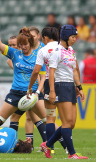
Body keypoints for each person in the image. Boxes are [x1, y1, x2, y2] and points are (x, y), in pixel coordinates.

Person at [0, 12, 46, 145]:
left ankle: (59, 145)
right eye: (20, 45)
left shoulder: (38, 56)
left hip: (31, 94)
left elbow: (42, 76)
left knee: (47, 120)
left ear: (30, 43)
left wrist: (37, 92)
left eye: (25, 44)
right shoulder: (14, 53)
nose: (22, 47)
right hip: (15, 93)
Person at [40, 25, 88, 159]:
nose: (74, 39)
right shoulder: (56, 51)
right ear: (66, 37)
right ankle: (72, 154)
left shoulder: (72, 50)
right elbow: (51, 72)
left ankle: (47, 144)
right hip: (60, 86)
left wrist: (79, 87)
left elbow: (75, 70)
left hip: (70, 87)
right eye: (73, 37)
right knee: (67, 123)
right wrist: (53, 92)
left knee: (72, 123)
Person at [28, 27, 68, 154]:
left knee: (50, 118)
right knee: (68, 120)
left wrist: (30, 87)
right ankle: (68, 149)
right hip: (65, 84)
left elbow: (36, 71)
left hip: (49, 84)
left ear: (44, 37)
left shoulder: (43, 50)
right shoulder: (64, 48)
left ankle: (49, 147)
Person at [7, 27, 47, 150]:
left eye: (14, 44)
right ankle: (38, 144)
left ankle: (46, 142)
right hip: (27, 88)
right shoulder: (18, 54)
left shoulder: (40, 50)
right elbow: (12, 63)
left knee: (36, 117)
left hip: (38, 86)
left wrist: (40, 87)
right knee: (31, 117)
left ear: (37, 36)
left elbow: (39, 71)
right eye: (11, 45)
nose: (13, 46)